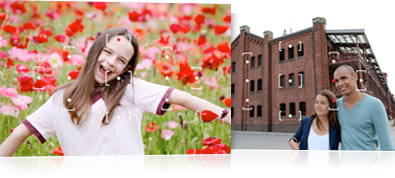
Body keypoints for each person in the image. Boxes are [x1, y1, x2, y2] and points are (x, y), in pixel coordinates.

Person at [0, 27, 231, 156]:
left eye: (121, 60)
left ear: (127, 69)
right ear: (95, 51)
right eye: (107, 52)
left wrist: (227, 116)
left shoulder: (130, 89)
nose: (111, 62)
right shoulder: (60, 99)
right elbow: (19, 134)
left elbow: (182, 97)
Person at [333, 64, 394, 151]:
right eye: (336, 81)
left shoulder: (375, 105)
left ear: (355, 77)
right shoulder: (336, 106)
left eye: (343, 78)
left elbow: (387, 145)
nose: (339, 83)